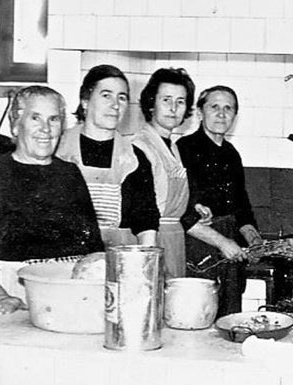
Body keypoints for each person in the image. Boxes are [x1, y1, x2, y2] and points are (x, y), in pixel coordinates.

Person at [0, 86, 104, 315]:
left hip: (69, 292)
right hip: (11, 295)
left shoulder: (70, 174)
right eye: (36, 118)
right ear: (16, 125)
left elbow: (93, 246)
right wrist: (1, 297)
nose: (46, 129)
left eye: (54, 119)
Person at [177, 85, 263, 317]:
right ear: (199, 112)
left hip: (229, 246)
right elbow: (183, 213)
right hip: (200, 247)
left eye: (228, 108)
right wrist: (223, 243)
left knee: (229, 316)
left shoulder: (231, 153)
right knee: (199, 315)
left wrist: (253, 237)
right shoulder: (184, 149)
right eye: (214, 107)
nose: (222, 114)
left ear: (235, 116)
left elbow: (241, 205)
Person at [56, 64, 159, 248]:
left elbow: (146, 220)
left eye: (122, 98)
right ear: (85, 101)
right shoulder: (58, 150)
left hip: (119, 256)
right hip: (66, 255)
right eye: (106, 95)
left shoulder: (135, 158)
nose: (115, 105)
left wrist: (145, 261)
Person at [133, 67, 211, 278]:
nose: (173, 108)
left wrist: (193, 207)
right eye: (166, 100)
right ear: (151, 103)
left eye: (180, 101)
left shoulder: (172, 147)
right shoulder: (139, 146)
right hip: (152, 241)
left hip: (174, 241)